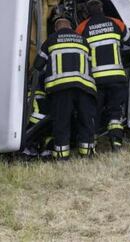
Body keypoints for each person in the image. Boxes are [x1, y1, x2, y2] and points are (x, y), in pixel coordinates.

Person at [76, 0, 130, 151]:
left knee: (94, 111)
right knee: (115, 110)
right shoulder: (116, 23)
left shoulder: (82, 27)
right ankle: (116, 143)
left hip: (95, 79)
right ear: (102, 9)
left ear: (87, 12)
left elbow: (77, 52)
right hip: (116, 76)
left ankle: (92, 144)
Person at [33, 18, 97, 160]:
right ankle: (86, 154)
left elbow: (38, 65)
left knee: (62, 122)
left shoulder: (51, 40)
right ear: (71, 28)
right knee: (85, 121)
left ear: (56, 29)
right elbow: (91, 63)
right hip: (84, 87)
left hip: (60, 88)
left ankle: (62, 156)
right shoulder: (83, 40)